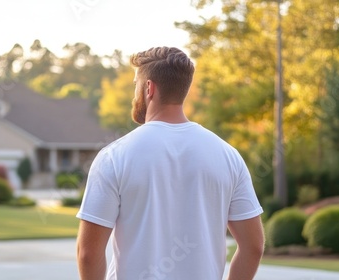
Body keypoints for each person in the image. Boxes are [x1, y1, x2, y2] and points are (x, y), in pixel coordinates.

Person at [76, 46, 264, 280]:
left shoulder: (114, 156)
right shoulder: (228, 156)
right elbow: (253, 247)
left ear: (148, 88)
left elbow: (88, 253)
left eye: (135, 84)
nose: (134, 94)